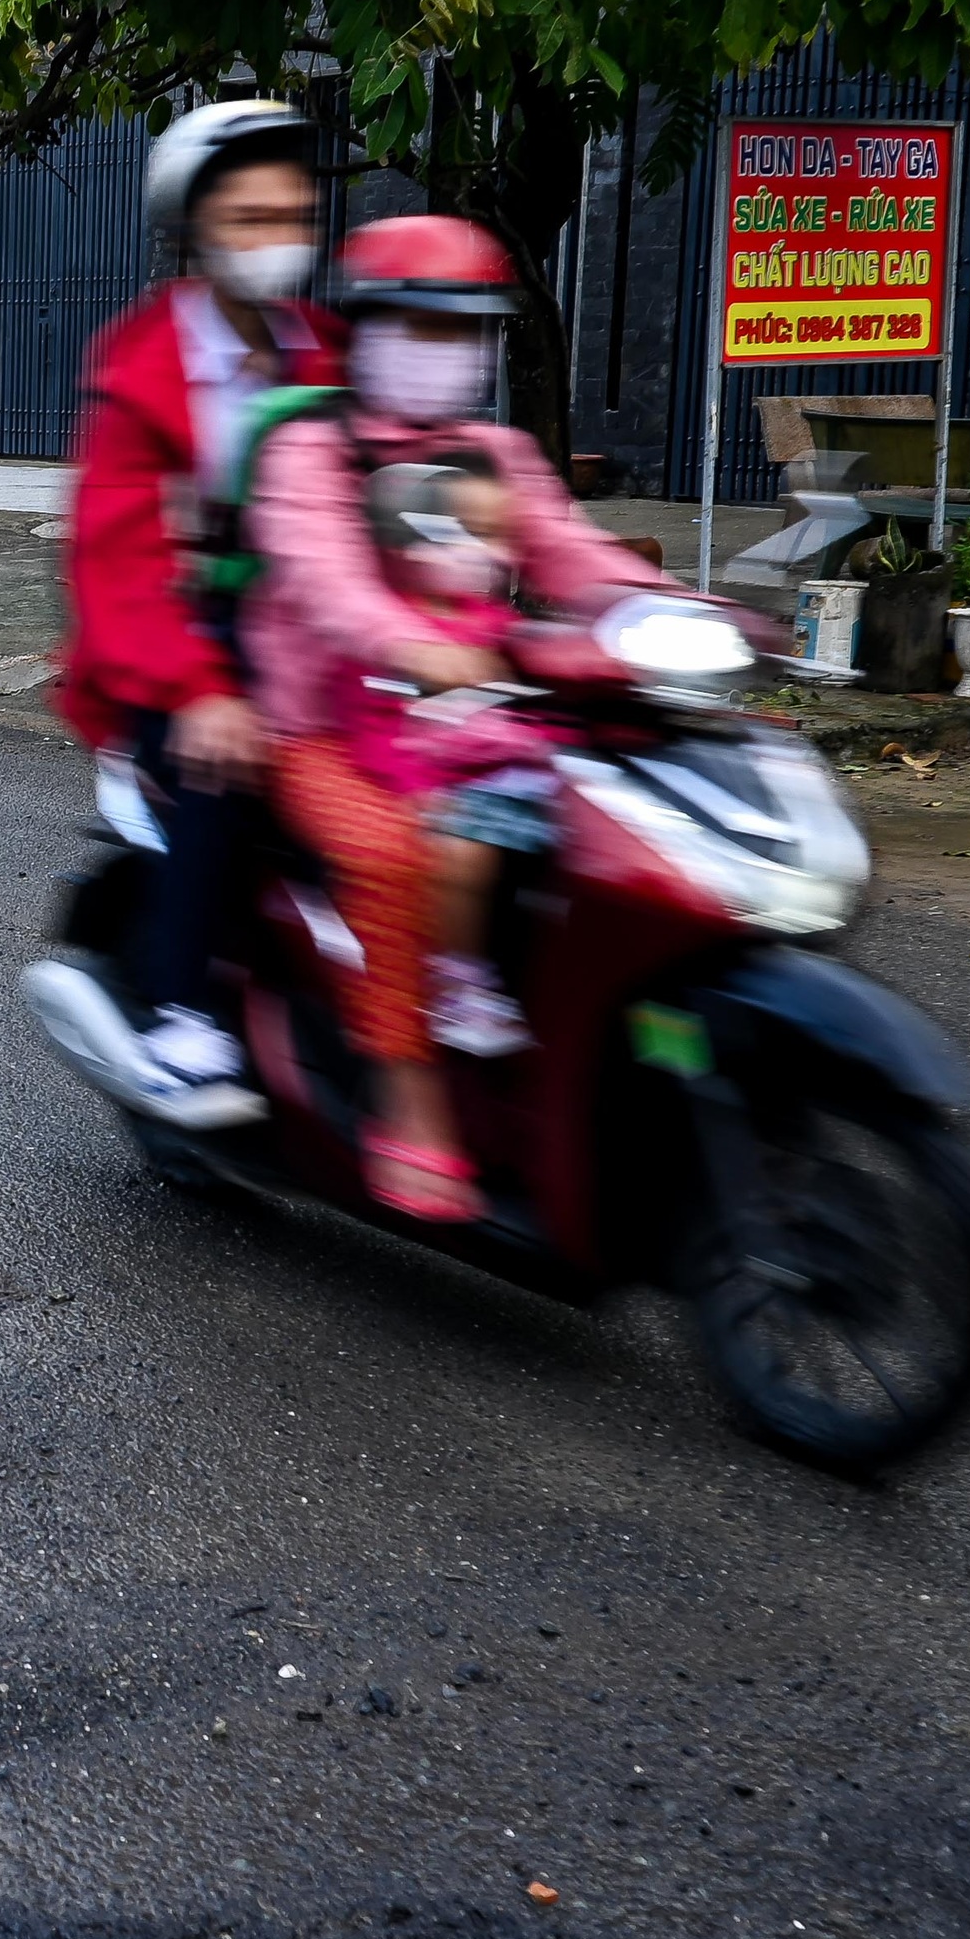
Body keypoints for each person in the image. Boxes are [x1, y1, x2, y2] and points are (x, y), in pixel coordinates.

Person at [240, 215, 642, 1221]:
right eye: (418, 326)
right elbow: (327, 584)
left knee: (611, 828)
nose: (443, 351)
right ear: (364, 331)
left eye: (464, 332)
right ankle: (406, 1098)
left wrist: (677, 611)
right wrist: (407, 641)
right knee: (391, 856)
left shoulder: (492, 453)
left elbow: (574, 556)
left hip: (464, 716)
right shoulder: (309, 451)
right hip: (322, 729)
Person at [25, 97, 339, 1129]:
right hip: (172, 651)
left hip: (324, 637)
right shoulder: (143, 364)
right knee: (222, 768)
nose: (275, 240)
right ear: (196, 230)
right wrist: (198, 690)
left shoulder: (329, 353)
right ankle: (182, 1018)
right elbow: (116, 561)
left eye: (291, 215)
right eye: (248, 218)